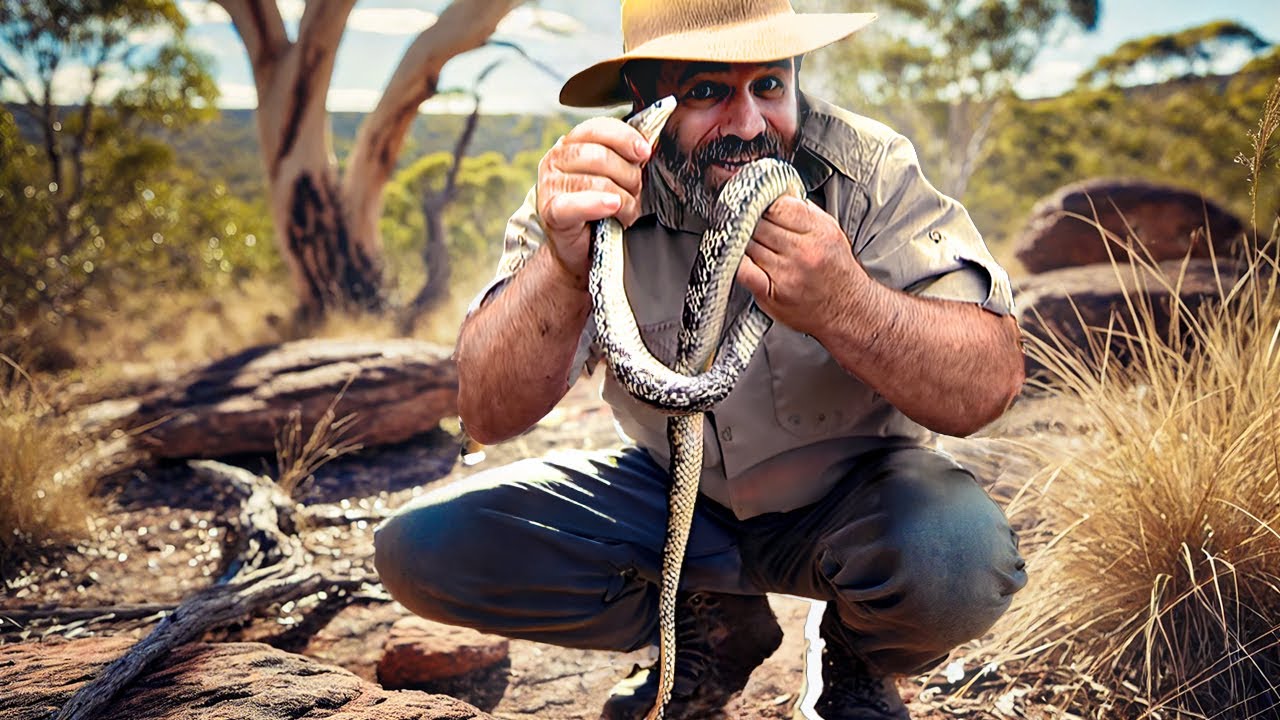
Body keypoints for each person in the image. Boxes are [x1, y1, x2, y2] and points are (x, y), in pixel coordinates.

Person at [374, 1, 1029, 718]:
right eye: (709, 91)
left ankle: (855, 655)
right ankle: (711, 626)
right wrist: (561, 272)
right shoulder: (590, 188)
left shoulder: (866, 168)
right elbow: (488, 414)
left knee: (959, 559)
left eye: (770, 87)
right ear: (644, 100)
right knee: (423, 548)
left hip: (856, 499)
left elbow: (989, 385)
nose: (748, 125)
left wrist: (845, 303)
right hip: (673, 499)